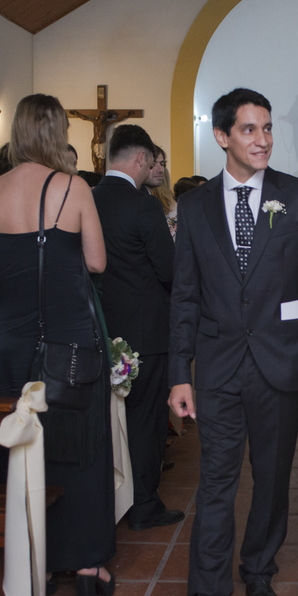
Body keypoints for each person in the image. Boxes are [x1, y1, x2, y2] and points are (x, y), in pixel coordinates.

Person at [167, 88, 298, 596]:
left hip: (281, 361)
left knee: (271, 479)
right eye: (249, 129)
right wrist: (178, 373)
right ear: (222, 136)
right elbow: (184, 295)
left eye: (267, 128)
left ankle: (259, 571)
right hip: (218, 366)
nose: (263, 139)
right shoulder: (195, 206)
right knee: (215, 481)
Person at [0, 93, 116, 596]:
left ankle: (37, 558)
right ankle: (85, 562)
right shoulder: (73, 187)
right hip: (68, 338)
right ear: (57, 133)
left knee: (21, 449)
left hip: (8, 342)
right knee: (80, 449)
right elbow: (96, 263)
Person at [91, 125, 182, 531]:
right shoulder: (142, 205)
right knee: (145, 421)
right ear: (141, 158)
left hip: (101, 327)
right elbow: (169, 270)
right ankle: (143, 504)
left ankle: (109, 498)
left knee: (109, 421)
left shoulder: (87, 198)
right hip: (146, 332)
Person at [144, 144, 177, 238]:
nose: (160, 170)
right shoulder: (137, 201)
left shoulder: (173, 207)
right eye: (153, 164)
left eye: (162, 164)